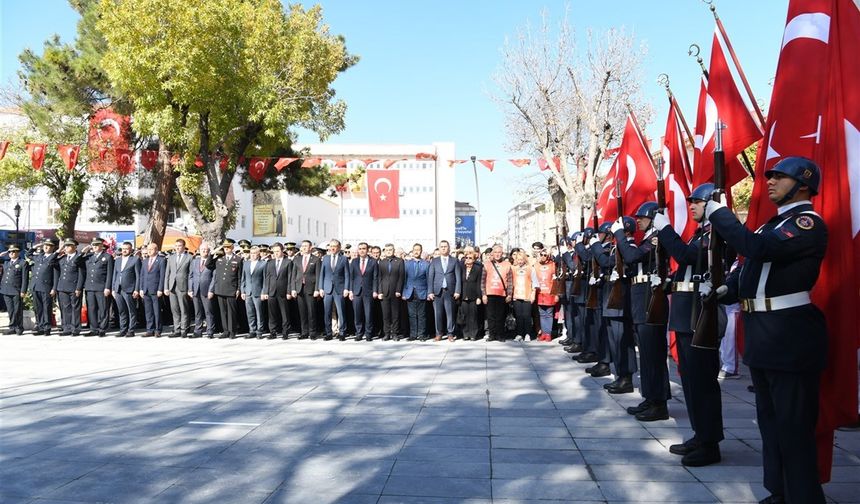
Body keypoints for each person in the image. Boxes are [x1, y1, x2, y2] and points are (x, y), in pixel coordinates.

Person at [706, 157, 827, 503]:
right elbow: (751, 266)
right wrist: (728, 287)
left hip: (790, 336)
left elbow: (761, 250)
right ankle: (780, 491)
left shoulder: (806, 223)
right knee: (770, 425)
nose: (770, 181)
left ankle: (804, 498)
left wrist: (720, 214)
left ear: (803, 185)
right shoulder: (770, 225)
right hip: (764, 333)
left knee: (794, 429)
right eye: (769, 176)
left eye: (780, 177)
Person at [652, 182, 724, 467]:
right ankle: (699, 434)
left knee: (703, 383)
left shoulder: (715, 233)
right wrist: (668, 283)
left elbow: (685, 256)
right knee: (691, 382)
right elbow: (687, 269)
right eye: (691, 201)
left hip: (700, 316)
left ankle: (710, 442)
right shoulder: (699, 234)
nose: (691, 205)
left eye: (697, 202)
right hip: (686, 314)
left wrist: (666, 230)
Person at [614, 205, 671, 419]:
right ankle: (650, 397)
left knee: (654, 355)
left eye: (642, 217)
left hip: (650, 299)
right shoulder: (647, 237)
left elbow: (632, 257)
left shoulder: (657, 237)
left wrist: (620, 233)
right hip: (641, 299)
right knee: (646, 355)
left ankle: (659, 403)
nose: (638, 221)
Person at [427, 239, 461, 342]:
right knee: (438, 314)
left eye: (445, 246)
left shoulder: (454, 260)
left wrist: (457, 291)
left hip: (450, 291)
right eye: (441, 247)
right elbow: (430, 277)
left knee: (450, 313)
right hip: (437, 291)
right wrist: (430, 291)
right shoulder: (434, 261)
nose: (443, 248)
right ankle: (439, 334)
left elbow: (458, 277)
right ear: (439, 248)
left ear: (449, 248)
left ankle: (450, 333)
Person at [208, 239, 243, 339]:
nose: (226, 249)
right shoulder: (220, 258)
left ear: (232, 247)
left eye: (228, 247)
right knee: (223, 311)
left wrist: (238, 289)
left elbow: (240, 276)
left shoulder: (238, 259)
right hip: (220, 288)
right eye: (224, 247)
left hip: (231, 288)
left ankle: (232, 331)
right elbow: (208, 264)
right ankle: (226, 331)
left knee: (231, 311)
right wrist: (214, 252)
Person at [317, 239, 350, 340]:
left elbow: (347, 274)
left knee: (341, 312)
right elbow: (322, 274)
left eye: (335, 246)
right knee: (327, 312)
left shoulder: (343, 259)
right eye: (331, 246)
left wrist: (346, 288)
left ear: (339, 248)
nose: (332, 248)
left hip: (339, 289)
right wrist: (320, 288)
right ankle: (328, 333)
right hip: (327, 289)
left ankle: (342, 332)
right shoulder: (325, 258)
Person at [481, 244, 513, 341]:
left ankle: (500, 335)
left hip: (502, 294)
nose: (497, 254)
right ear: (492, 253)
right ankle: (492, 335)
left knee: (500, 316)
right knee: (490, 316)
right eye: (495, 252)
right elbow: (483, 281)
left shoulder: (507, 265)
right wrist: (483, 294)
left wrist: (509, 294)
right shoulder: (486, 264)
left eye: (499, 252)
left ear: (502, 253)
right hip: (490, 293)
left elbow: (510, 281)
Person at [347, 242, 378, 341]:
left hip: (368, 291)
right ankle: (359, 333)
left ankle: (368, 334)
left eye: (364, 248)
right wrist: (351, 291)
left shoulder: (373, 262)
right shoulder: (354, 261)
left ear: (367, 249)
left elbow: (375, 278)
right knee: (357, 314)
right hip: (356, 291)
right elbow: (351, 277)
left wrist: (375, 290)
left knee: (368, 314)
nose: (361, 250)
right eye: (360, 248)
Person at [82, 238, 113, 337]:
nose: (94, 247)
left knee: (103, 308)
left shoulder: (107, 257)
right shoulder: (89, 257)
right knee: (91, 308)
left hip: (101, 286)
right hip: (90, 287)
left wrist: (107, 287)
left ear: (101, 246)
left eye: (97, 245)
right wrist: (84, 251)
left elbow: (109, 273)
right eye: (93, 245)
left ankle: (102, 328)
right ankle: (93, 328)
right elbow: (78, 260)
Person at [29, 239, 59, 336]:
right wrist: (36, 246)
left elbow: (55, 275)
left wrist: (54, 288)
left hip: (46, 286)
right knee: (38, 308)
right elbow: (28, 254)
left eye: (49, 245)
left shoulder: (53, 258)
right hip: (36, 285)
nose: (46, 247)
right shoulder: (39, 256)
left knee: (47, 308)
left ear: (53, 247)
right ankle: (40, 326)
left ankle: (47, 327)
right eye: (45, 245)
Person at [262, 242, 292, 339]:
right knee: (272, 313)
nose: (276, 253)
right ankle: (273, 332)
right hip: (271, 291)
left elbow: (290, 278)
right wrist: (265, 291)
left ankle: (285, 332)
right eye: (274, 252)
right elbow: (267, 278)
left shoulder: (288, 262)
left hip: (283, 291)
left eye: (278, 251)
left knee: (285, 313)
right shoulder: (270, 263)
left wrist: (288, 291)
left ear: (282, 251)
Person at [56, 238, 86, 336]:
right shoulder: (63, 258)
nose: (66, 247)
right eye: (65, 246)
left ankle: (75, 328)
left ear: (74, 247)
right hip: (63, 287)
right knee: (65, 308)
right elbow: (51, 262)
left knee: (75, 309)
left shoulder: (79, 258)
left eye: (69, 245)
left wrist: (79, 288)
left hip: (74, 287)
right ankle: (67, 328)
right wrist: (58, 251)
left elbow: (81, 274)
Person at [292, 240, 321, 339]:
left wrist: (317, 289)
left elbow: (318, 276)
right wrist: (293, 289)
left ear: (310, 247)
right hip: (299, 288)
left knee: (311, 311)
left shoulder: (316, 259)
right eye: (302, 246)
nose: (304, 248)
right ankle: (304, 332)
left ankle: (312, 332)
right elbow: (293, 275)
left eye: (306, 246)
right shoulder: (297, 259)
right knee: (302, 311)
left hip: (311, 288)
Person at [163, 238, 192, 338]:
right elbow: (167, 273)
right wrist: (166, 287)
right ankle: (177, 329)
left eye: (179, 246)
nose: (177, 248)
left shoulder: (189, 257)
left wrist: (190, 288)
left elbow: (190, 274)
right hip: (172, 286)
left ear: (184, 247)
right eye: (176, 246)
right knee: (174, 309)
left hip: (183, 286)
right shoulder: (171, 257)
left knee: (184, 308)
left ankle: (184, 329)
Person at [112, 241, 140, 337]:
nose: (124, 250)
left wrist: (136, 289)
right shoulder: (117, 260)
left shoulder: (135, 260)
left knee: (131, 310)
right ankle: (123, 329)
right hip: (118, 288)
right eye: (123, 249)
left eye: (126, 249)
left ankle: (131, 330)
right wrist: (113, 288)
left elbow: (138, 276)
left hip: (129, 288)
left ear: (131, 250)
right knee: (121, 310)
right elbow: (114, 275)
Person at [377, 243, 405, 340]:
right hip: (384, 292)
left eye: (391, 250)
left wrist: (398, 290)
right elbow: (379, 278)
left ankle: (395, 334)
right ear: (385, 251)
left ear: (394, 250)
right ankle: (387, 333)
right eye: (387, 250)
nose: (389, 251)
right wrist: (379, 291)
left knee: (395, 314)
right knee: (386, 314)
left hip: (395, 292)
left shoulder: (399, 261)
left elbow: (401, 277)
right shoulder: (382, 262)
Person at [0, 244, 29, 335]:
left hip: (17, 290)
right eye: (10, 252)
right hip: (6, 289)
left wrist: (23, 291)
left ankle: (19, 327)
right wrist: (1, 254)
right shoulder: (6, 262)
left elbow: (25, 278)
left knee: (17, 310)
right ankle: (12, 327)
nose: (11, 253)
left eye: (14, 251)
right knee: (10, 310)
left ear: (18, 252)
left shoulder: (22, 263)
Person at [188, 242, 215, 338]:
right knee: (197, 312)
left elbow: (214, 278)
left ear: (208, 251)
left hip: (207, 290)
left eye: (206, 250)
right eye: (202, 249)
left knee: (208, 312)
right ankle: (197, 331)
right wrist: (190, 289)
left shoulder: (212, 262)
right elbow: (190, 276)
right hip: (196, 290)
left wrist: (211, 290)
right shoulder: (195, 261)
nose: (204, 251)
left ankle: (210, 331)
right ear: (199, 251)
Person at [403, 243, 429, 341]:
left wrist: (428, 292)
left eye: (418, 250)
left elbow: (428, 280)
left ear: (421, 251)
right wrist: (404, 292)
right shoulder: (407, 264)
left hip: (422, 292)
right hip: (410, 292)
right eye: (415, 250)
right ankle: (413, 334)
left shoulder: (426, 264)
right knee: (412, 315)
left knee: (422, 315)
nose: (416, 251)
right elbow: (404, 279)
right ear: (412, 251)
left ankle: (421, 334)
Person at [139, 242, 165, 337]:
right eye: (148, 249)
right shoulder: (145, 261)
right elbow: (142, 275)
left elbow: (162, 276)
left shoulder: (161, 260)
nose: (149, 251)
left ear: (156, 250)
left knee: (157, 310)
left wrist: (160, 289)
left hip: (155, 289)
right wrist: (141, 288)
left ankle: (158, 329)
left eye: (151, 249)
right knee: (148, 311)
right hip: (146, 289)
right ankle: (150, 329)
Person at [510, 250, 538, 341]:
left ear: (525, 259)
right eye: (518, 259)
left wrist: (533, 294)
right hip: (516, 295)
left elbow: (534, 282)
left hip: (527, 295)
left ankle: (527, 333)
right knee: (518, 316)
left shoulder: (530, 269)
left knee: (526, 315)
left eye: (521, 259)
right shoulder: (514, 269)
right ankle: (519, 334)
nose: (520, 261)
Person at [240, 245, 266, 338]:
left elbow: (265, 279)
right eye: (251, 253)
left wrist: (263, 292)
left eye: (255, 253)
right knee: (250, 312)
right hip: (248, 292)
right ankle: (252, 330)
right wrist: (242, 291)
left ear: (258, 254)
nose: (253, 255)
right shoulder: (246, 263)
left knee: (259, 313)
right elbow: (243, 278)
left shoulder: (263, 264)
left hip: (258, 292)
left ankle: (259, 331)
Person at [534, 248, 558, 342]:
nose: (543, 257)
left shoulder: (553, 265)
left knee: (548, 314)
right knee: (541, 314)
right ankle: (543, 333)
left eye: (545, 255)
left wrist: (556, 294)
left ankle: (548, 333)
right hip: (540, 293)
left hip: (550, 293)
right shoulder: (536, 265)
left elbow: (556, 281)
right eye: (541, 255)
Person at [458, 250, 483, 341]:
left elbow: (479, 283)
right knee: (464, 316)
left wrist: (479, 297)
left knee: (473, 316)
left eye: (470, 258)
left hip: (474, 295)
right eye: (466, 258)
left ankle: (473, 334)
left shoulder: (478, 268)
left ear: (474, 259)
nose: (468, 260)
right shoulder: (462, 267)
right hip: (463, 295)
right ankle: (465, 333)